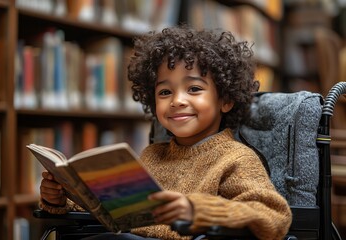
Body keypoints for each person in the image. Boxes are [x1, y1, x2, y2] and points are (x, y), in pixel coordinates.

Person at [39, 25, 292, 240]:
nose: (177, 101)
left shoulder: (236, 159)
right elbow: (112, 209)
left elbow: (274, 216)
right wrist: (61, 198)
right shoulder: (151, 155)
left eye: (194, 89)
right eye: (164, 92)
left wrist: (199, 211)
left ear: (225, 100)